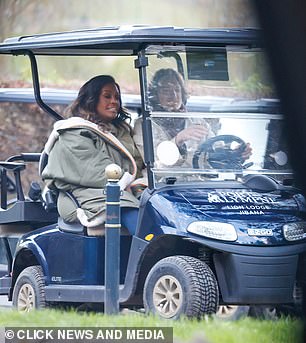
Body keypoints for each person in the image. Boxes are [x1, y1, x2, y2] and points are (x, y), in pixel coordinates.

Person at [41, 75, 144, 235]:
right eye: (107, 96)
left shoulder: (121, 131)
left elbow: (137, 163)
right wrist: (126, 182)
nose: (114, 102)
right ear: (92, 99)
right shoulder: (75, 132)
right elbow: (94, 170)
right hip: (82, 194)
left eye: (117, 97)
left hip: (118, 188)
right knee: (127, 206)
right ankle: (152, 252)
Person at [133, 68, 252, 165]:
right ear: (155, 95)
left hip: (198, 184)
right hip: (163, 186)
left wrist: (235, 153)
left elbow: (215, 151)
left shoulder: (196, 121)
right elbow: (155, 166)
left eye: (177, 90)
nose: (173, 95)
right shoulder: (145, 124)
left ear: (183, 94)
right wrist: (178, 140)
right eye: (166, 90)